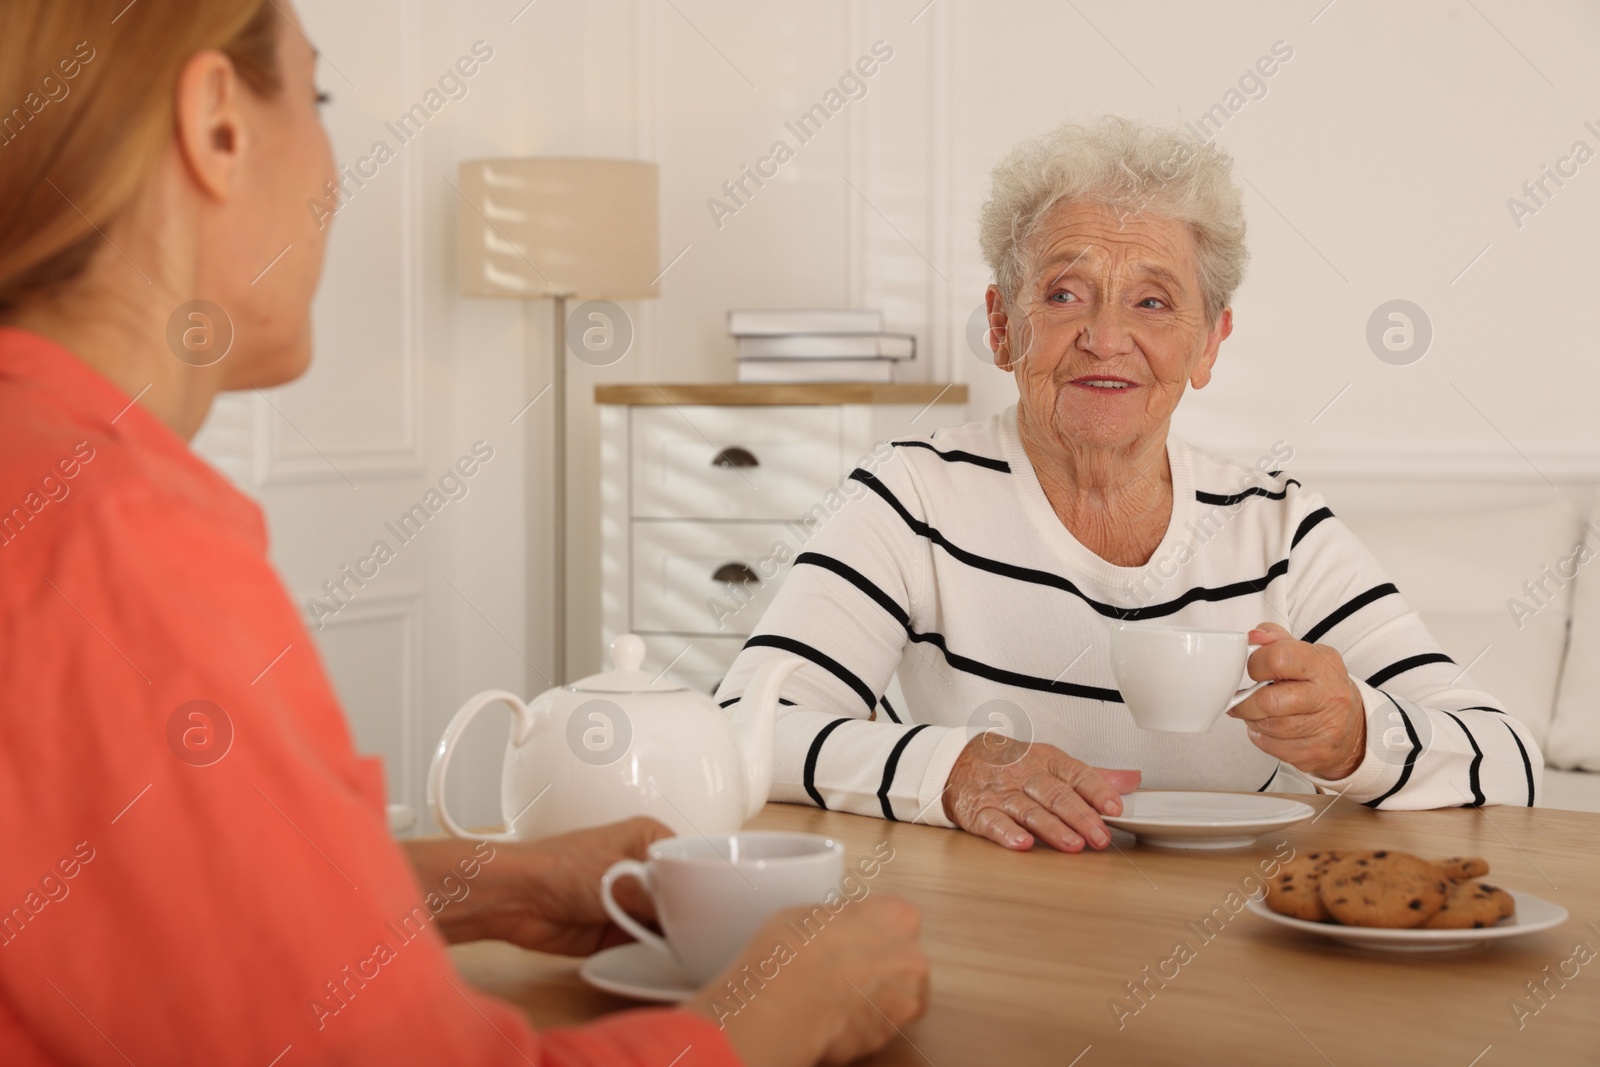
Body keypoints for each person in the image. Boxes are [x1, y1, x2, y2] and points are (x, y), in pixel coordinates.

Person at [0, 2, 927, 1064]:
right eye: (321, 98)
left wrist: (486, 880)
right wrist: (777, 1013)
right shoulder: (118, 540)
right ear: (217, 124)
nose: (335, 177)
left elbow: (130, 890)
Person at [716, 117, 1544, 853]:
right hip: (992, 929)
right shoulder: (913, 495)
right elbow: (743, 730)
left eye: (1153, 301)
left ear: (1208, 345)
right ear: (1004, 326)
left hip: (1230, 941)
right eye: (1064, 293)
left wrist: (1359, 737)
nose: (1106, 338)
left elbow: (1508, 754)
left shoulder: (1278, 526)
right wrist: (953, 767)